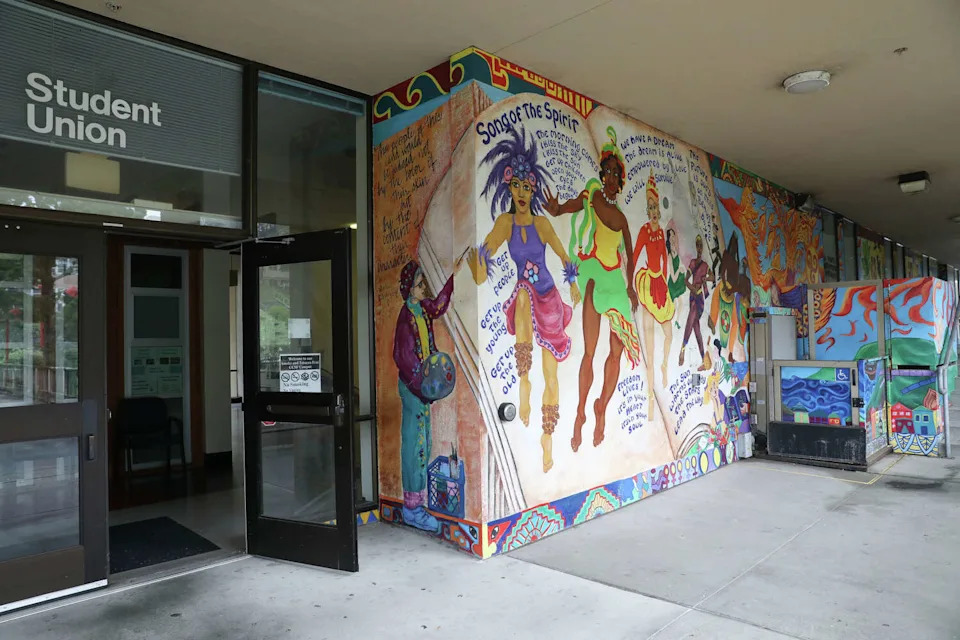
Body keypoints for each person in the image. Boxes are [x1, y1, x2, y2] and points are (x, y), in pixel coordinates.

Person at [469, 127, 580, 473]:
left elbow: (564, 259)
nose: (521, 192)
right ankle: (523, 380)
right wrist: (475, 263)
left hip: (548, 300)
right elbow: (482, 262)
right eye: (515, 186)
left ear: (532, 189)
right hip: (525, 300)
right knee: (520, 296)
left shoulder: (543, 225)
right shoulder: (505, 223)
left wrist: (573, 284)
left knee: (553, 376)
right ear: (508, 187)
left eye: (526, 187)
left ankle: (548, 437)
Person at [544, 126, 641, 451]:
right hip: (594, 276)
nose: (611, 178)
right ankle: (581, 413)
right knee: (589, 350)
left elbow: (630, 254)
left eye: (616, 174)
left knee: (616, 352)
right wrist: (556, 209)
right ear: (602, 175)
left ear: (621, 181)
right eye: (608, 172)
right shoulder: (592, 197)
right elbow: (568, 207)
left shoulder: (624, 219)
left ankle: (601, 405)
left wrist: (632, 289)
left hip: (616, 282)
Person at [392, 258, 463, 533]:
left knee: (424, 441)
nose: (424, 288)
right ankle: (412, 508)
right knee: (414, 444)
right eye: (420, 284)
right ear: (410, 287)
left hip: (420, 390)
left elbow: (439, 305)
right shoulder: (404, 317)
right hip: (413, 390)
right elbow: (403, 356)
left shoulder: (422, 309)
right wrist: (420, 384)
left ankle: (417, 504)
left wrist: (453, 276)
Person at [633, 170, 675, 396]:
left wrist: (666, 283)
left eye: (655, 207)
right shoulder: (644, 231)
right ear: (647, 211)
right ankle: (649, 387)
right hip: (648, 282)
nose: (653, 212)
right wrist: (631, 283)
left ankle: (665, 365)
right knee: (648, 334)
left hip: (660, 284)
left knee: (669, 334)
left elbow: (666, 260)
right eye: (649, 208)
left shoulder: (661, 234)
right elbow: (635, 253)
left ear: (659, 209)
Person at [680, 235, 714, 370]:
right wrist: (691, 287)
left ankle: (682, 350)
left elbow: (712, 276)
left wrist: (704, 279)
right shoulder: (693, 263)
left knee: (691, 320)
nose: (699, 248)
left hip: (699, 299)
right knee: (696, 328)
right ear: (696, 247)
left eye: (701, 246)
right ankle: (702, 358)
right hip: (692, 296)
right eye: (698, 246)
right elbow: (685, 280)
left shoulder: (705, 265)